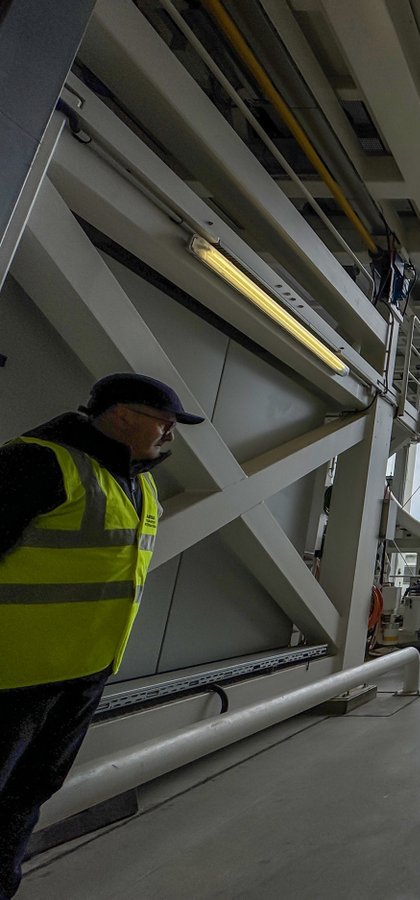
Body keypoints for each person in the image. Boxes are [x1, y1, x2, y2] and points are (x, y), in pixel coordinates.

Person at [0, 373, 203, 898]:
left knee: (25, 798)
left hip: (82, 676)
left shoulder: (137, 483)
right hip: (11, 680)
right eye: (164, 422)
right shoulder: (38, 463)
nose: (171, 434)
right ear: (121, 416)